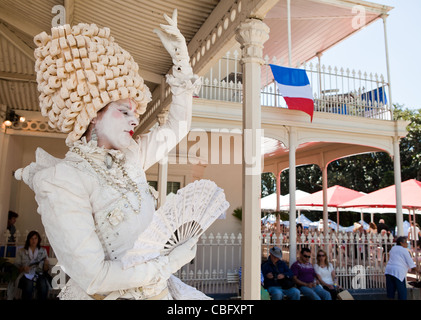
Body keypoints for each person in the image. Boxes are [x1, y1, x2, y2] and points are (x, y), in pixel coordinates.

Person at [14, 10, 216, 300]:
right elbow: (95, 277)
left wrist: (181, 63)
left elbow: (177, 127)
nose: (134, 120)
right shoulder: (62, 180)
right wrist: (169, 263)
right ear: (92, 114)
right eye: (124, 111)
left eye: (134, 112)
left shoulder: (131, 159)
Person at [14, 231, 50, 300]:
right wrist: (23, 268)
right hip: (25, 275)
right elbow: (16, 267)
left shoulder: (43, 251)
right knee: (28, 284)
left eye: (35, 238)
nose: (34, 240)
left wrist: (46, 264)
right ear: (28, 240)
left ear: (38, 239)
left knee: (43, 285)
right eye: (31, 238)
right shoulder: (21, 251)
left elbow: (45, 269)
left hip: (39, 274)